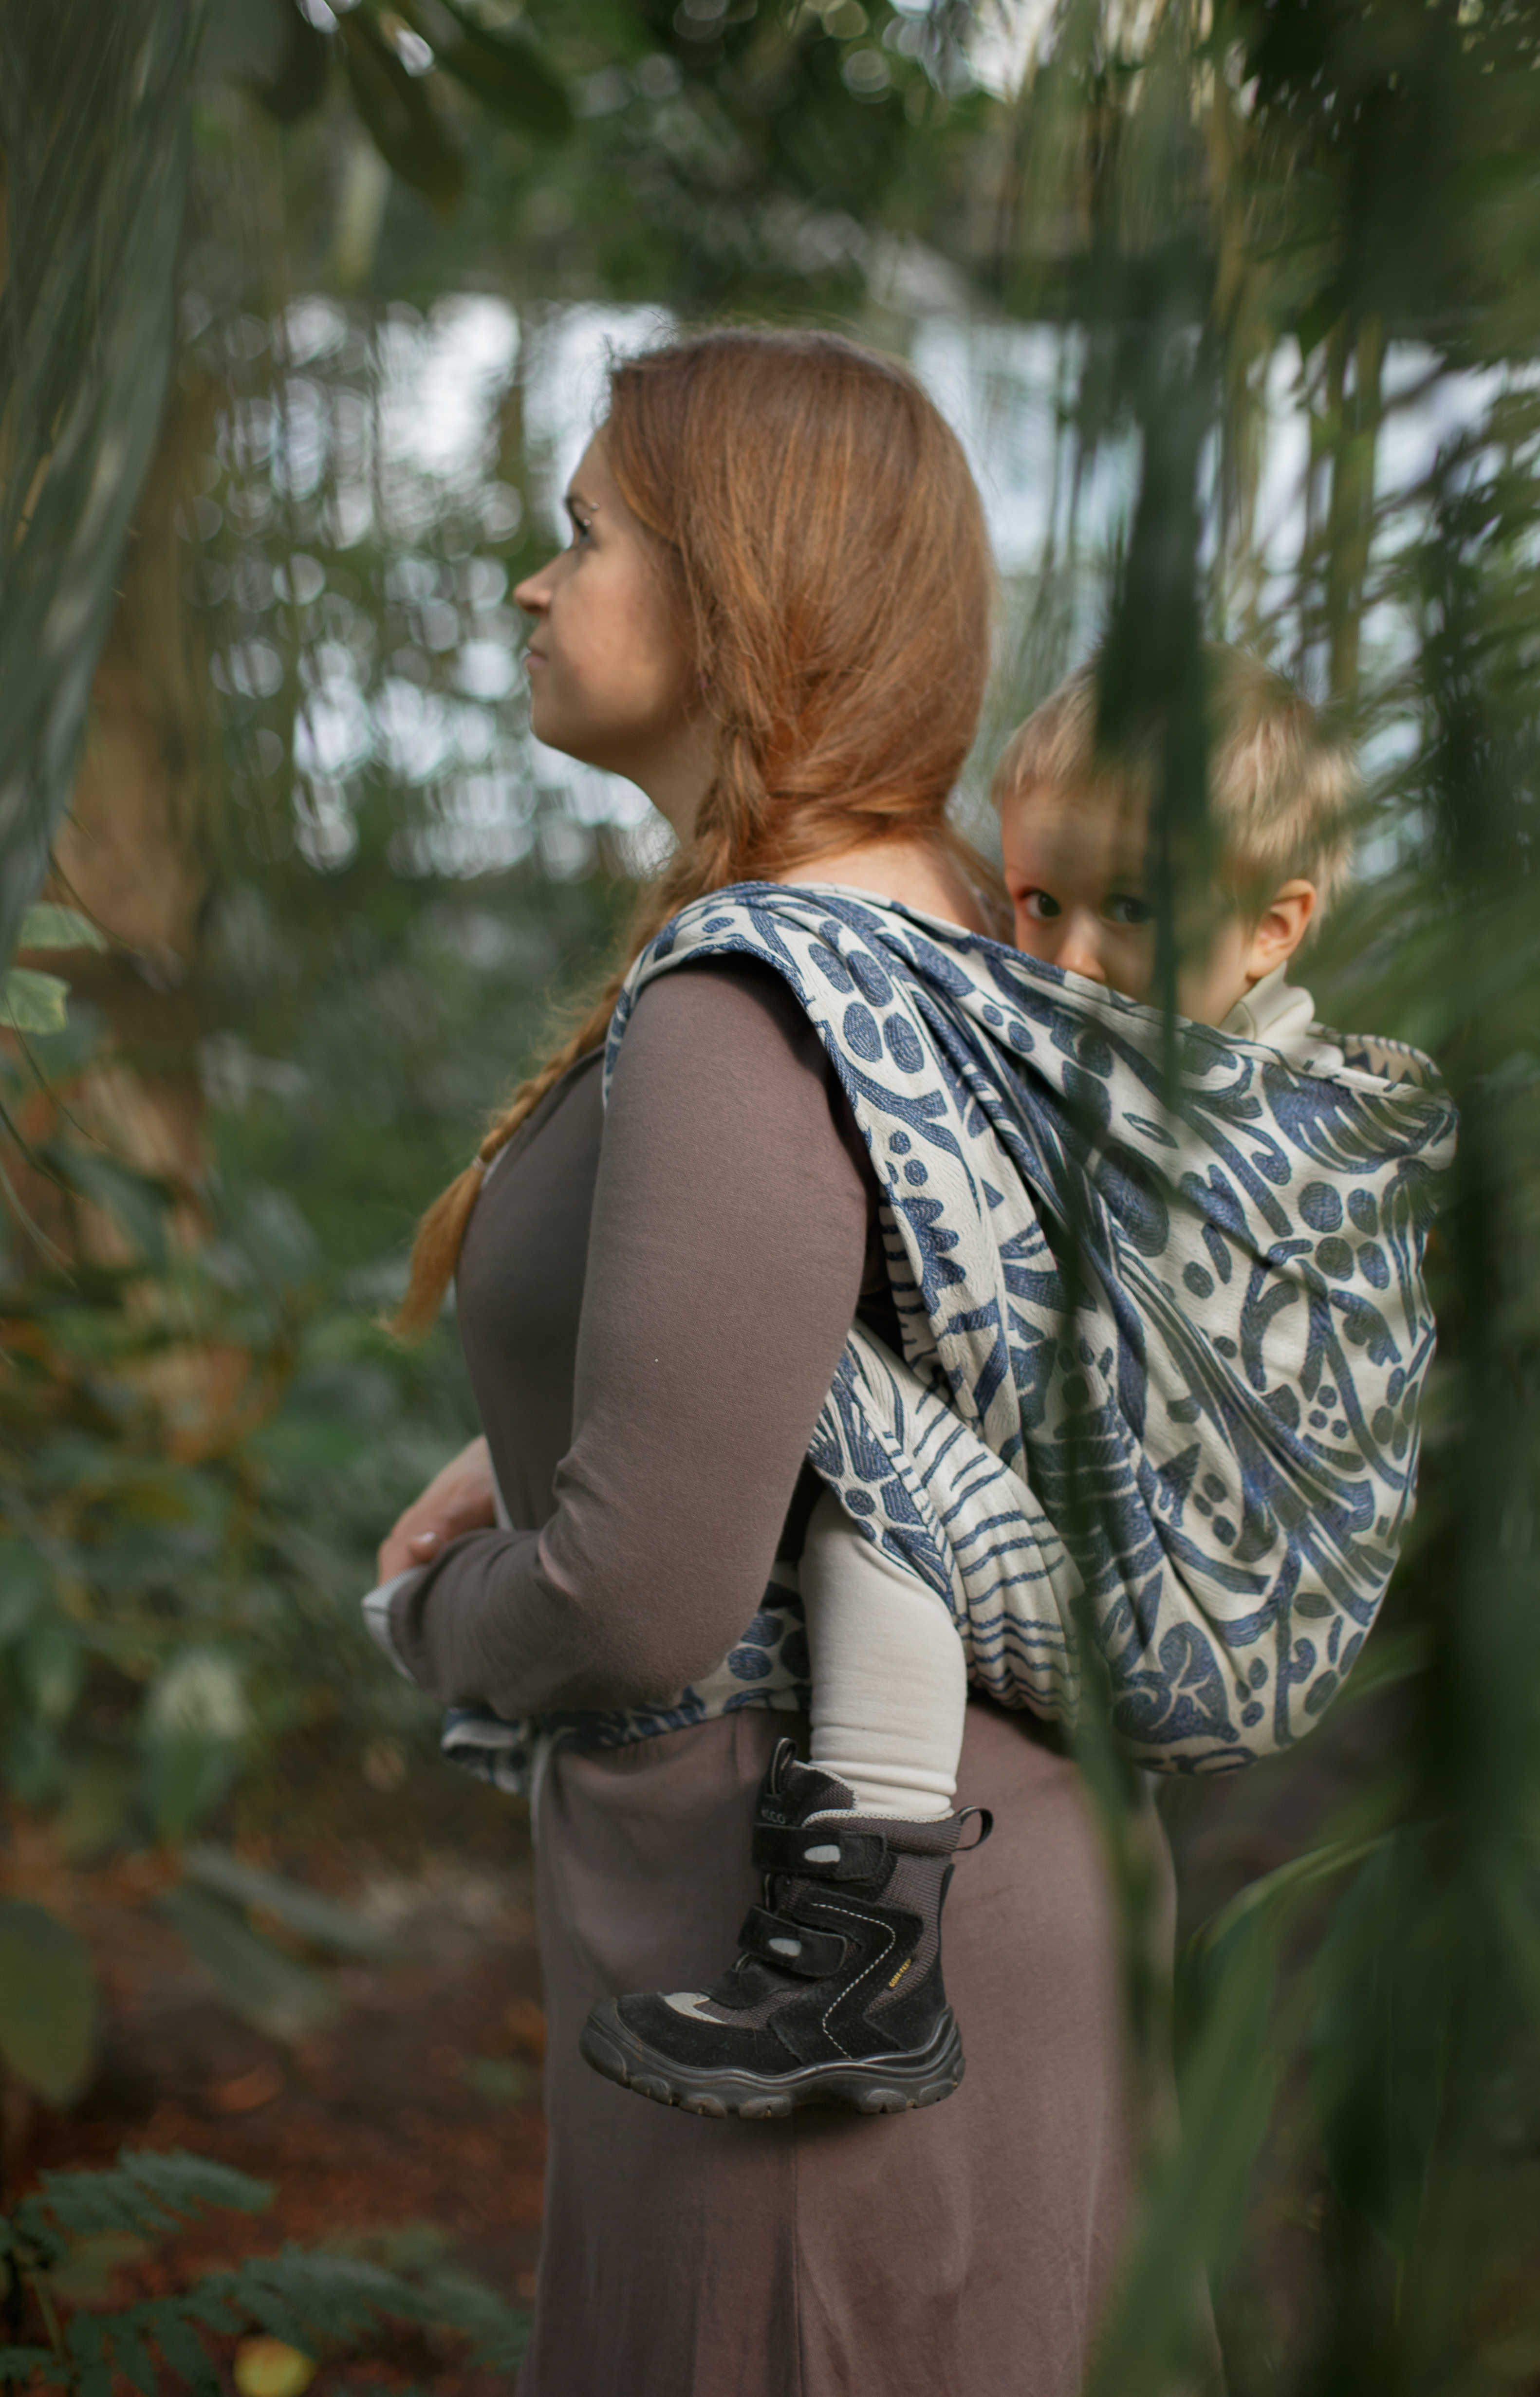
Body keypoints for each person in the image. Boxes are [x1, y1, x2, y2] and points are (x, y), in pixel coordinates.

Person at [369, 328, 1159, 2397]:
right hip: (956, 1895)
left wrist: (434, 1618)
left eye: (581, 535)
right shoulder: (960, 926)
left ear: (736, 588)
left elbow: (639, 1590)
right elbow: (858, 1349)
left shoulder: (758, 992)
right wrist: (540, 1431)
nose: (534, 586)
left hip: (803, 1964)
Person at [577, 649, 1448, 2120]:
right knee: (856, 1437)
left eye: (1134, 911)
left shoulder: (1254, 1127)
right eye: (1037, 902)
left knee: (811, 1389)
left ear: (1272, 926)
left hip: (1204, 1614)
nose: (1066, 960)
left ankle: (858, 1967)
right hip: (1154, 1609)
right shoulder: (1114, 1063)